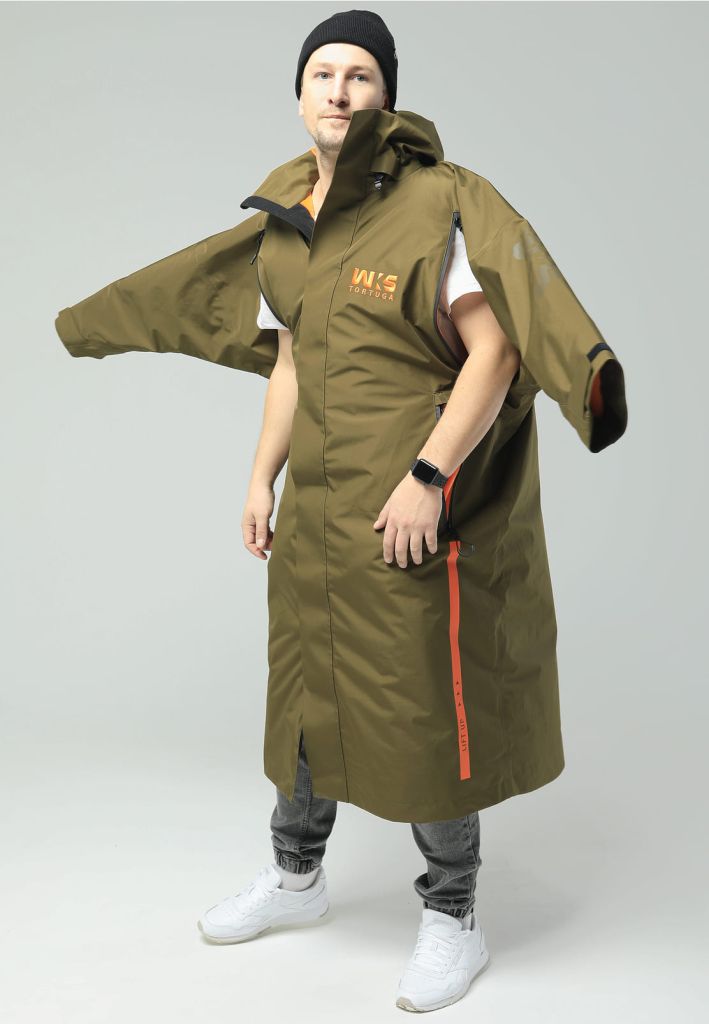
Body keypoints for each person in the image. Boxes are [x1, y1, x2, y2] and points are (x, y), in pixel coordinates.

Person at [54, 7, 626, 1015]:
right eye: (322, 72)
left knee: (418, 703)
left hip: (406, 505)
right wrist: (259, 478)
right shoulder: (290, 217)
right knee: (306, 699)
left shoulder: (436, 204)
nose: (339, 89)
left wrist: (429, 476)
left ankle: (453, 913)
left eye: (359, 74)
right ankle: (296, 878)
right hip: (317, 511)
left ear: (385, 97)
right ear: (298, 95)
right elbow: (288, 362)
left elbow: (495, 351)